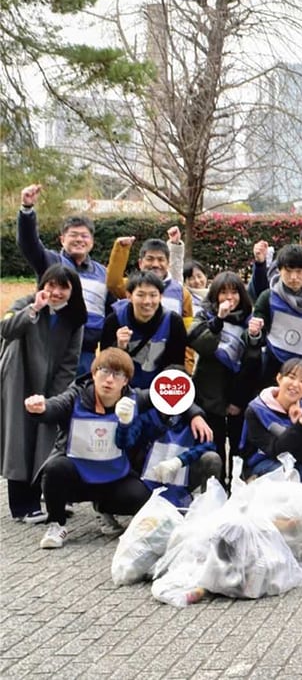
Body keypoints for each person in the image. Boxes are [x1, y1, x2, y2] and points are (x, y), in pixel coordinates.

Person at [22, 349, 151, 549]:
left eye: (118, 374)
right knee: (54, 468)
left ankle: (103, 508)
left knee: (140, 496)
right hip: (77, 475)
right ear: (93, 374)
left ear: (125, 381)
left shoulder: (134, 399)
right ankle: (57, 524)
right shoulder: (76, 396)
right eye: (104, 371)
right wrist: (41, 407)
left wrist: (195, 414)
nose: (109, 380)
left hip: (113, 477)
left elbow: (166, 396)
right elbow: (56, 405)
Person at [1, 264, 86, 521]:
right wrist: (34, 309)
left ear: (73, 291)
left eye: (63, 287)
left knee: (46, 439)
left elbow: (70, 361)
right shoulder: (25, 303)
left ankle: (48, 497)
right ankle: (22, 507)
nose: (56, 292)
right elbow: (6, 330)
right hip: (19, 380)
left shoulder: (74, 318)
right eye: (51, 285)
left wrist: (54, 399)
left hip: (51, 386)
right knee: (19, 440)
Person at [16, 183, 109, 372]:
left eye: (84, 236)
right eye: (73, 235)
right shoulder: (50, 261)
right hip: (52, 346)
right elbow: (29, 244)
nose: (79, 240)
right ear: (62, 239)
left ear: (92, 241)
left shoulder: (103, 273)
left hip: (87, 352)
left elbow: (111, 309)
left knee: (82, 398)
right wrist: (27, 210)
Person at [187, 271, 261, 488]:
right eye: (223, 292)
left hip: (238, 391)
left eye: (234, 292)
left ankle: (236, 487)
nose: (229, 297)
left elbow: (253, 361)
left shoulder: (249, 319)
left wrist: (255, 338)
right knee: (214, 444)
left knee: (238, 446)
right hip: (209, 391)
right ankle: (215, 488)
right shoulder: (205, 315)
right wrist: (218, 320)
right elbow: (201, 345)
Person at [247, 243, 302, 386]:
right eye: (288, 271)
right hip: (271, 373)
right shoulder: (268, 297)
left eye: (299, 271)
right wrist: (254, 333)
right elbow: (257, 339)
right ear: (279, 270)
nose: (293, 277)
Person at [116, 391, 221, 507]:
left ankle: (208, 508)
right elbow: (125, 443)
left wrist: (179, 461)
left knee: (212, 458)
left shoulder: (191, 420)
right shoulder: (146, 418)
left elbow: (209, 444)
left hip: (181, 475)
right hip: (145, 478)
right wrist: (124, 424)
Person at [240, 359, 302, 485]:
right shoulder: (257, 410)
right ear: (279, 378)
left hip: (296, 461)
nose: (296, 384)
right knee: (286, 475)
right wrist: (301, 423)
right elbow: (275, 451)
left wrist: (299, 423)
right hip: (264, 462)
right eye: (291, 377)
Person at [100, 272, 189, 391]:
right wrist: (119, 347)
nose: (147, 301)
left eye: (153, 295)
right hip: (121, 390)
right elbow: (104, 365)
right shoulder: (115, 320)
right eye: (141, 295)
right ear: (129, 296)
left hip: (158, 390)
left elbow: (176, 365)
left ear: (161, 296)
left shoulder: (173, 322)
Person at [105, 237, 193, 325]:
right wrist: (121, 249)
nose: (155, 264)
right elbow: (113, 283)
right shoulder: (131, 285)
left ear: (168, 263)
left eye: (160, 259)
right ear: (140, 263)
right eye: (150, 259)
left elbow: (187, 327)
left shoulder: (182, 293)